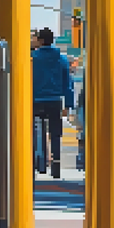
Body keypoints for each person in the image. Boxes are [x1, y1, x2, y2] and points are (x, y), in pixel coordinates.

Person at [32, 27, 74, 179]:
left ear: (41, 40)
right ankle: (56, 165)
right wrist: (68, 105)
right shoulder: (62, 59)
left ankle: (36, 162)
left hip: (36, 101)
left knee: (35, 131)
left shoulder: (32, 58)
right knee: (55, 133)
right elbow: (67, 84)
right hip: (55, 101)